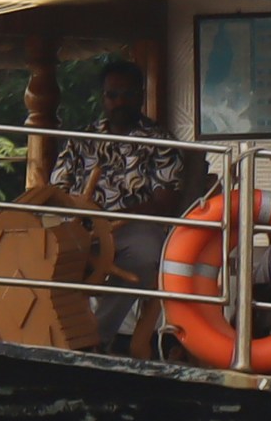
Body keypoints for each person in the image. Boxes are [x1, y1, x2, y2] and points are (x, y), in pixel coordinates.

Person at [49, 62, 208, 346]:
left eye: (127, 94)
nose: (119, 101)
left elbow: (165, 203)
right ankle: (47, 334)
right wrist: (76, 216)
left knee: (146, 253)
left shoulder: (160, 142)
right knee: (37, 246)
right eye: (112, 95)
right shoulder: (82, 139)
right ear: (103, 97)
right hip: (77, 227)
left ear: (140, 96)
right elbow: (57, 190)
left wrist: (109, 219)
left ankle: (97, 337)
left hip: (131, 229)